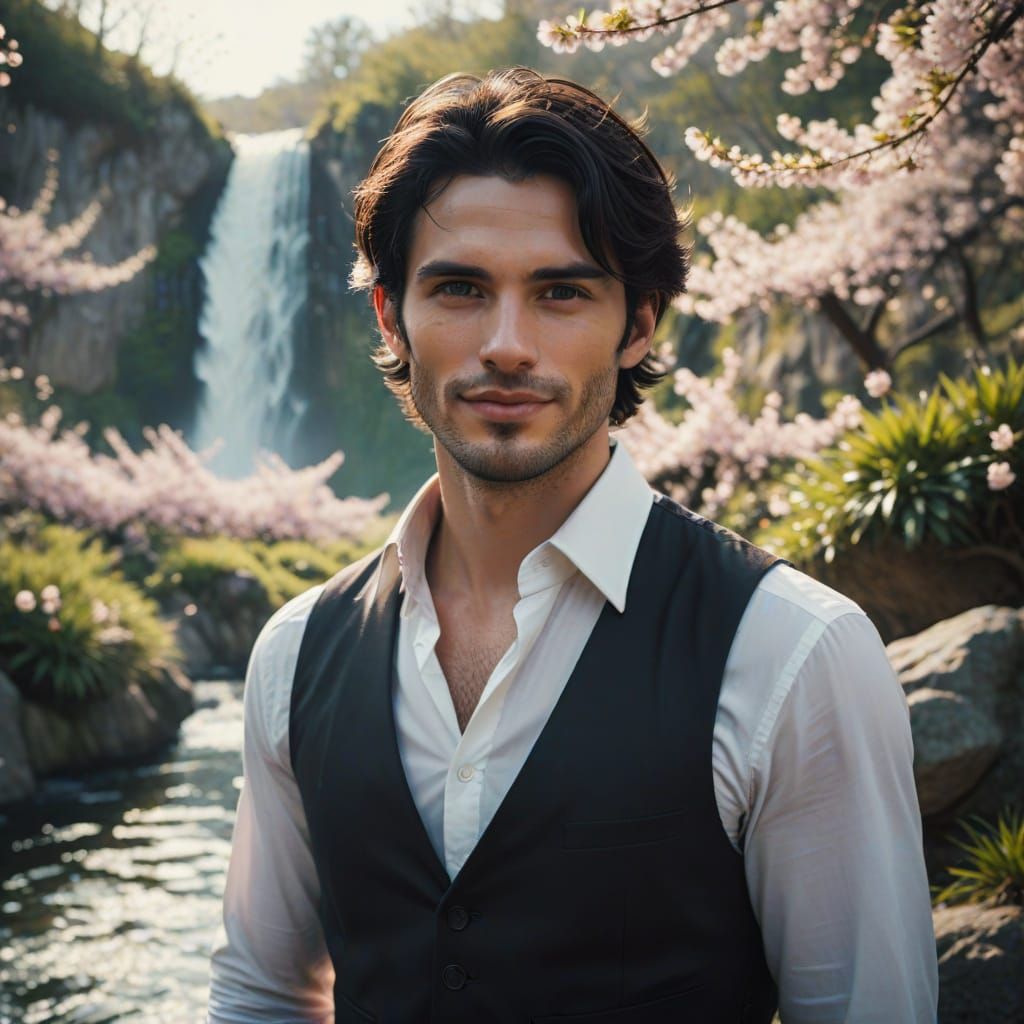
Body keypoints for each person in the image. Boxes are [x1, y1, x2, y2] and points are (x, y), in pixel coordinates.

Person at [207, 67, 938, 1023]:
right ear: (392, 314)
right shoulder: (295, 654)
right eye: (461, 288)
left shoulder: (796, 654)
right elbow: (262, 996)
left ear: (636, 324)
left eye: (560, 292)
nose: (507, 344)